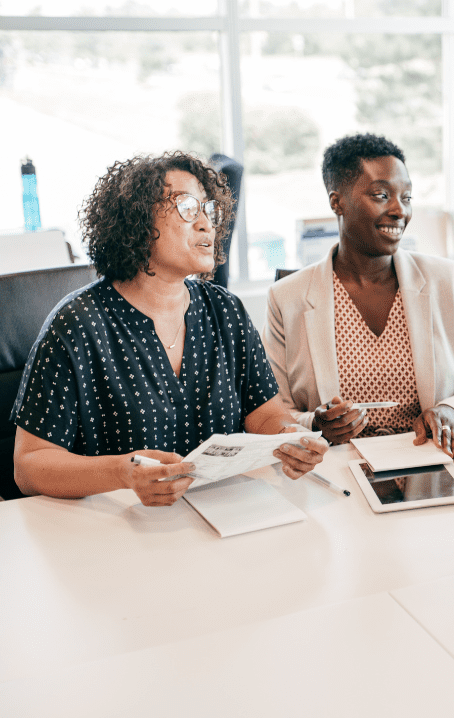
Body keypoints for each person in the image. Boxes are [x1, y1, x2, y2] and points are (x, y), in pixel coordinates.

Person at [11, 152, 327, 506]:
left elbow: (265, 414)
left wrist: (290, 439)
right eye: (188, 208)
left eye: (210, 210)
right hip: (117, 532)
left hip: (225, 514)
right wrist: (122, 473)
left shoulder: (225, 310)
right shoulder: (77, 325)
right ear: (137, 219)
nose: (207, 224)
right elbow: (29, 467)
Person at [263, 133, 454, 459]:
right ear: (337, 202)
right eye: (381, 195)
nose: (398, 210)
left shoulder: (447, 280)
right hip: (336, 470)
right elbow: (272, 414)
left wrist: (450, 410)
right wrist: (316, 424)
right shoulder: (287, 298)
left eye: (406, 197)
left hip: (429, 459)